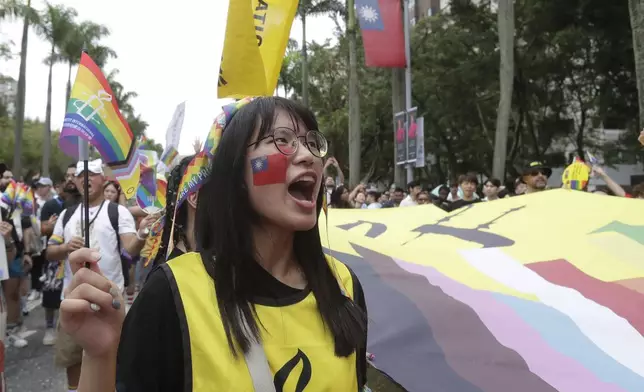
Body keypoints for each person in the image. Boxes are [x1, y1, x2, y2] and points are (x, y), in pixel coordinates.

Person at [60, 97, 368, 392]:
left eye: (312, 143)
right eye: (282, 140)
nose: (308, 156)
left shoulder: (343, 285)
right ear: (235, 173)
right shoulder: (172, 293)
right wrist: (100, 357)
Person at [46, 159, 156, 392]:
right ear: (74, 181)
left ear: (103, 178)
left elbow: (131, 248)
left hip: (109, 306)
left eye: (92, 174)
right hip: (72, 304)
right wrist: (65, 248)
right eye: (81, 175)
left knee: (112, 371)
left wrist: (143, 232)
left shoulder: (118, 212)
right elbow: (49, 252)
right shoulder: (66, 215)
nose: (86, 179)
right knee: (74, 373)